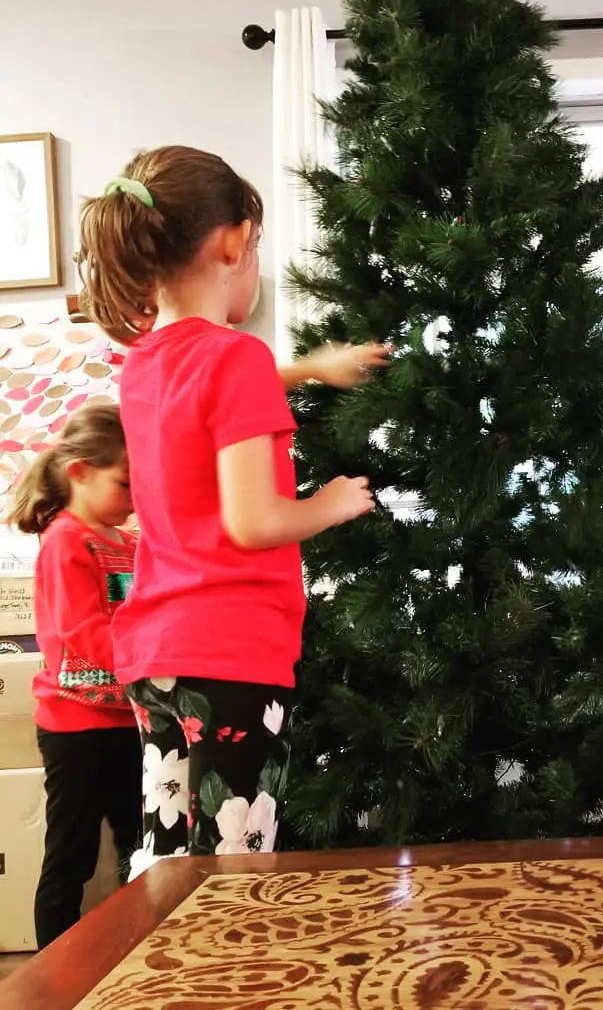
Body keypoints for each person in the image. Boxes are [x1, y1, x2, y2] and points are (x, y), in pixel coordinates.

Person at [76, 145, 389, 866]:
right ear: (232, 242)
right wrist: (331, 503)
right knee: (232, 862)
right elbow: (255, 522)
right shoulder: (237, 360)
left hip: (157, 655)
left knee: (167, 853)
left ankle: (152, 976)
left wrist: (312, 368)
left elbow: (212, 385)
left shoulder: (145, 363)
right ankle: (221, 983)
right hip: (232, 655)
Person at [10, 404, 141, 947]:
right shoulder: (66, 539)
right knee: (73, 854)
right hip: (75, 727)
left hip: (124, 719)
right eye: (126, 483)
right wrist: (149, 656)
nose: (134, 497)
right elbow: (84, 630)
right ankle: (52, 979)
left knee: (142, 846)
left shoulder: (123, 540)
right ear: (80, 472)